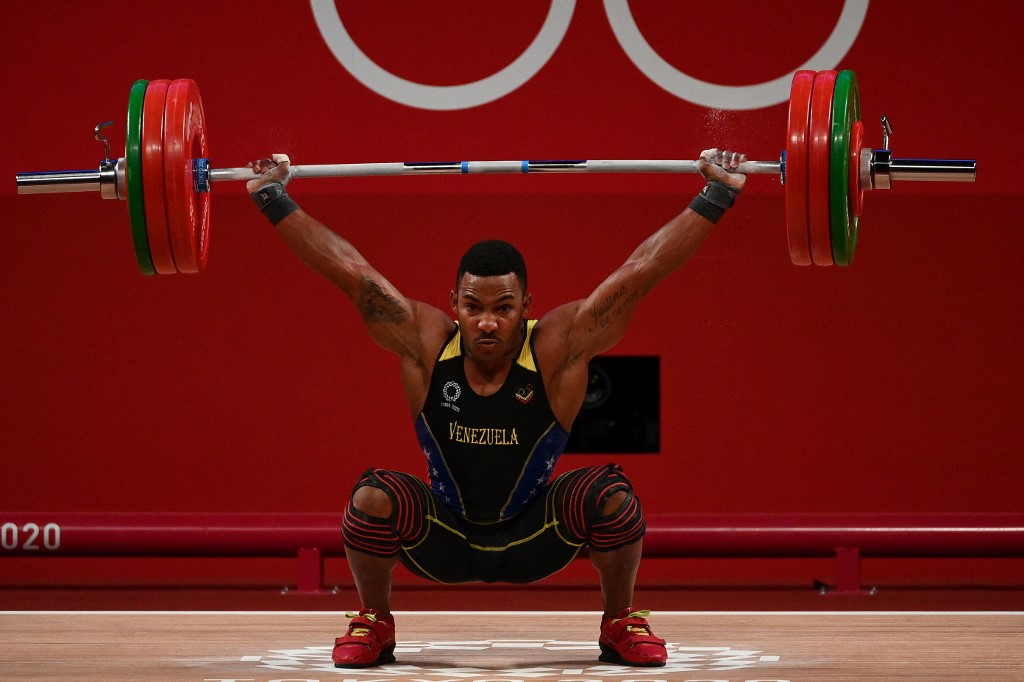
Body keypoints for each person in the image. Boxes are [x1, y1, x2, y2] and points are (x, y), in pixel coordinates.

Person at [246, 148, 747, 669]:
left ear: (526, 307)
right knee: (373, 497)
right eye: (473, 307)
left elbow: (640, 271)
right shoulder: (425, 342)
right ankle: (374, 620)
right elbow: (349, 270)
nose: (487, 323)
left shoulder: (557, 347)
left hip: (537, 536)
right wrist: (271, 197)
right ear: (454, 303)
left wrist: (718, 193)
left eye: (503, 308)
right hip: (443, 535)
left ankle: (619, 620)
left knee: (611, 495)